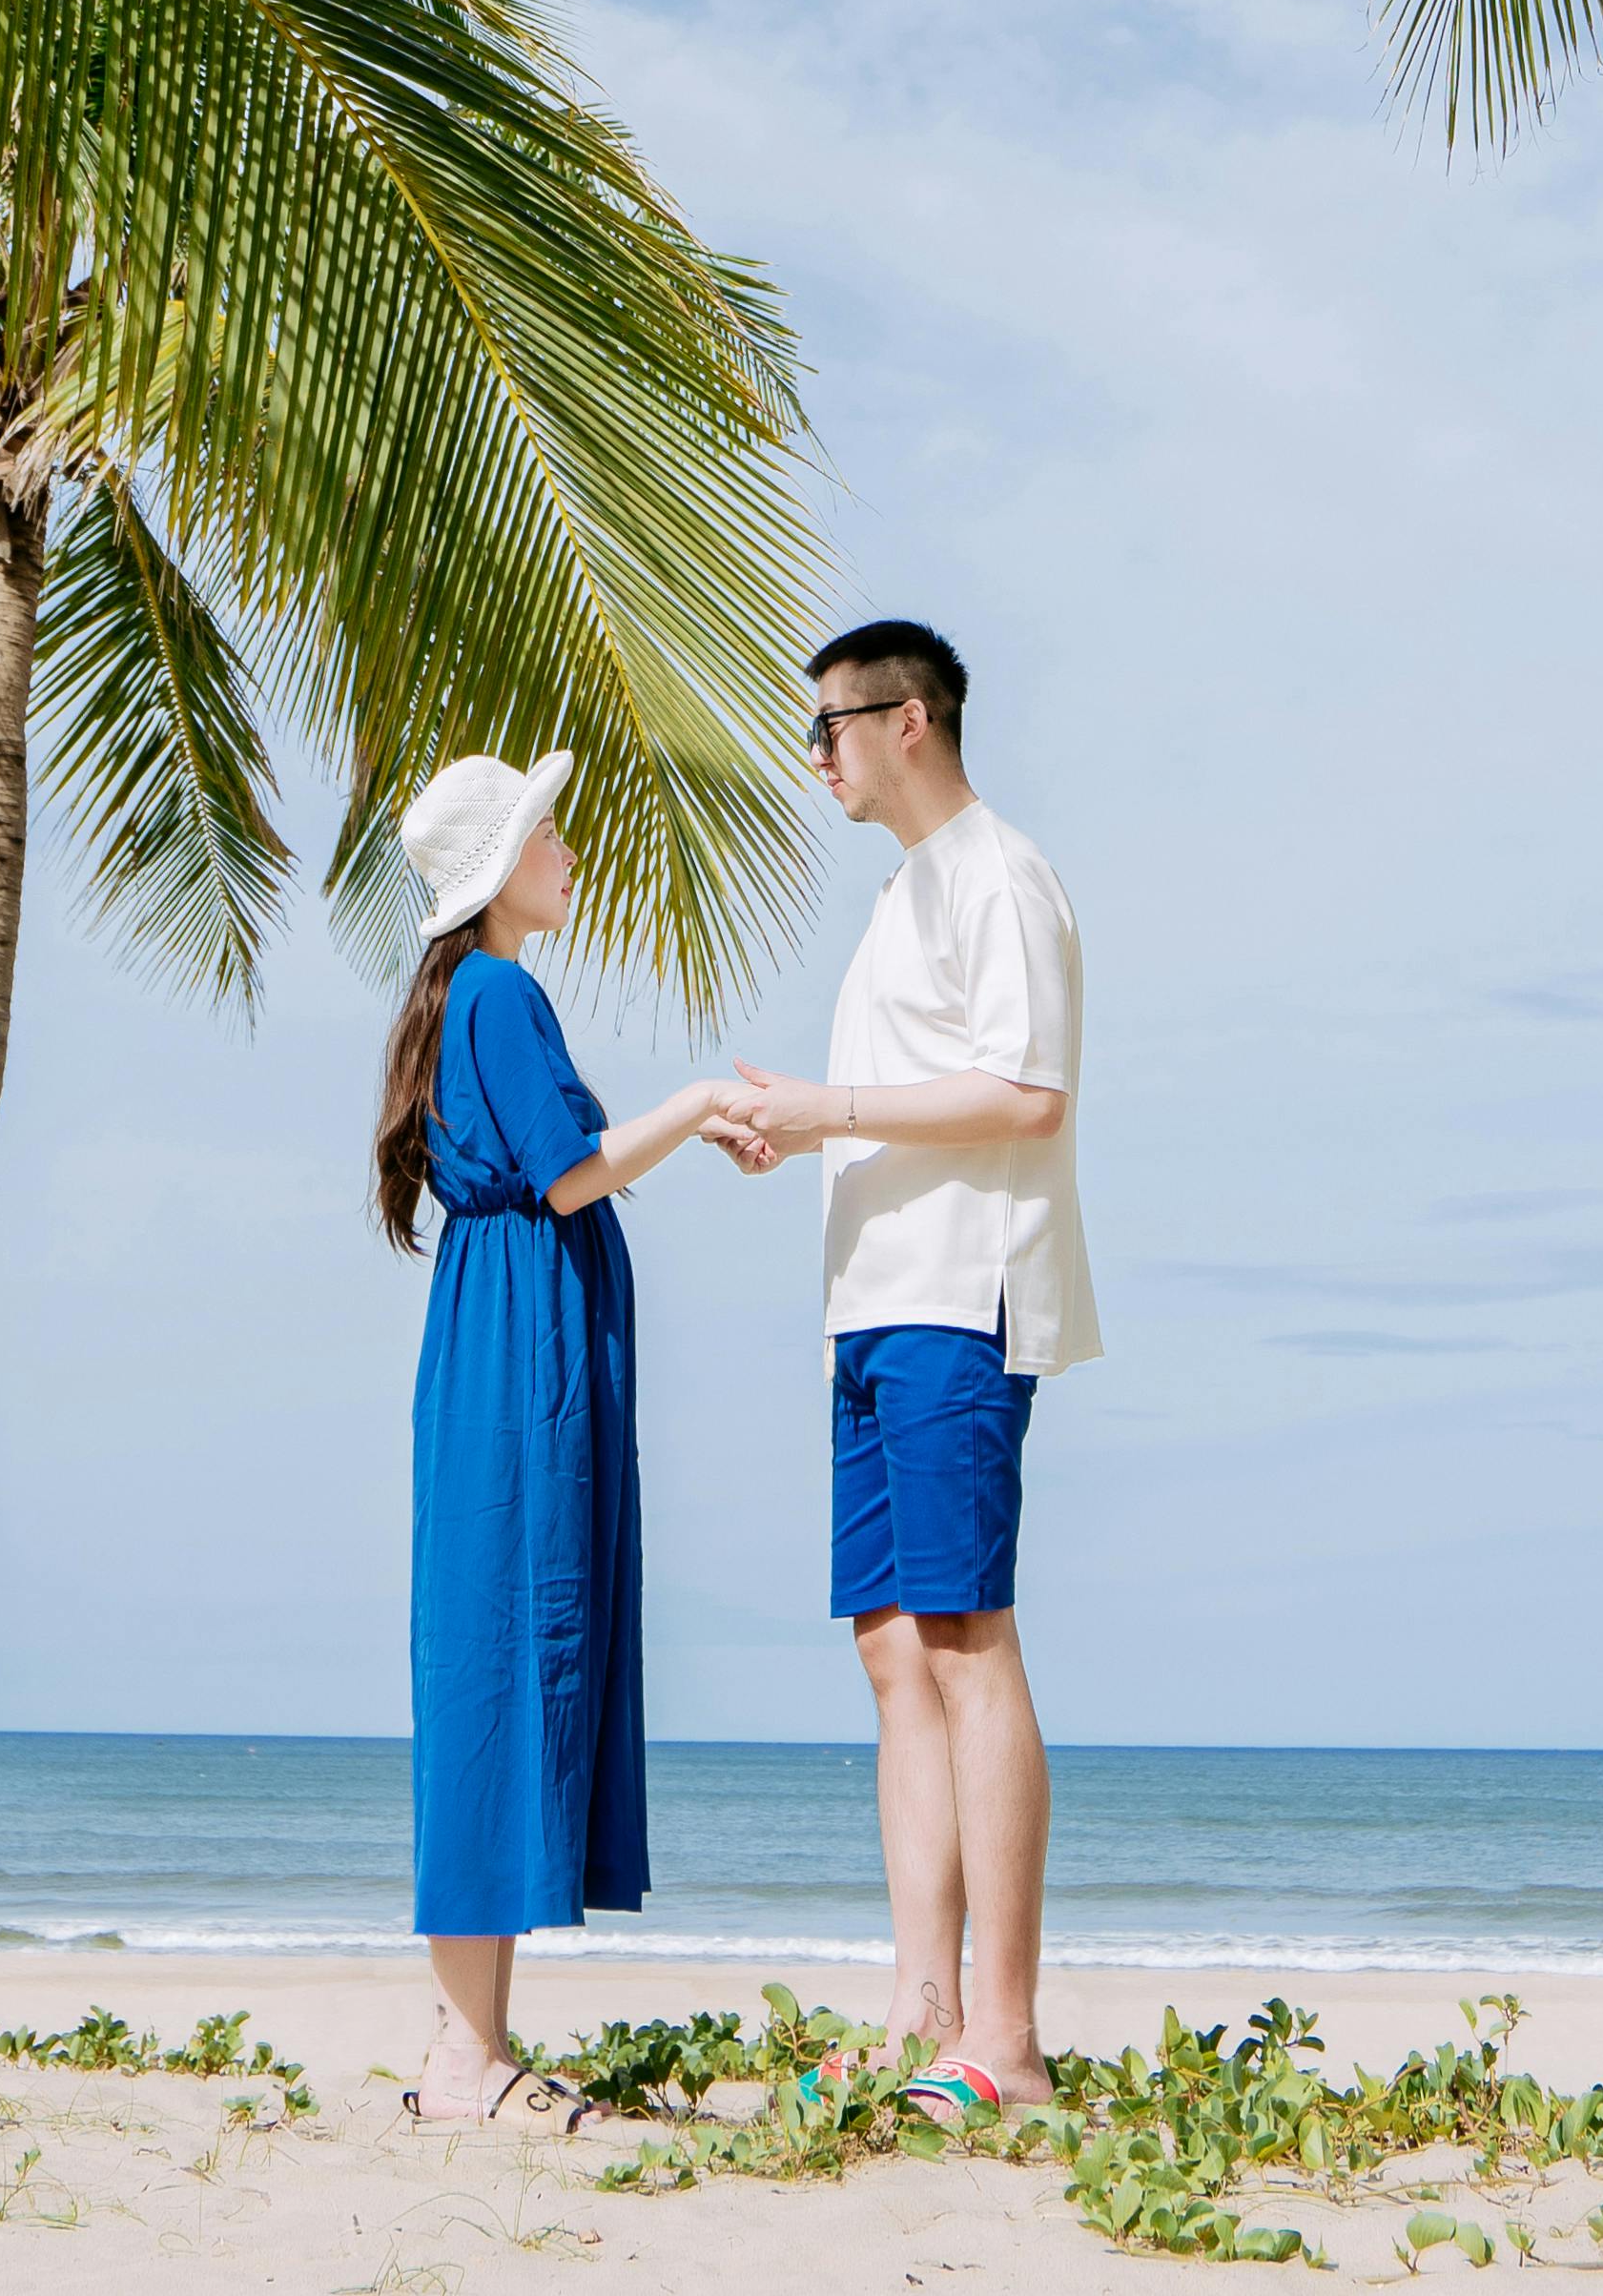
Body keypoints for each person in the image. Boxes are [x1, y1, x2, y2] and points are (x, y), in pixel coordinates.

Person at [727, 618, 1094, 2120]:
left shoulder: (999, 877)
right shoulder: (904, 898)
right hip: (872, 1311)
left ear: (912, 721)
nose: (816, 755)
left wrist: (829, 1107)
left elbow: (1026, 1091)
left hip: (959, 1300)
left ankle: (1001, 2042)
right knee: (891, 1652)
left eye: (832, 727)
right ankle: (919, 2010)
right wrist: (810, 1124)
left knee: (963, 1640)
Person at [379, 743, 754, 2126]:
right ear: (498, 873)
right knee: (498, 1659)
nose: (571, 853)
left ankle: (470, 2042)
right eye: (550, 835)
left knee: (500, 1659)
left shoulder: (472, 996)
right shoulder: (499, 991)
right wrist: (704, 1105)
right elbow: (573, 1173)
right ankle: (463, 2053)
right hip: (521, 1355)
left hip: (510, 1340)